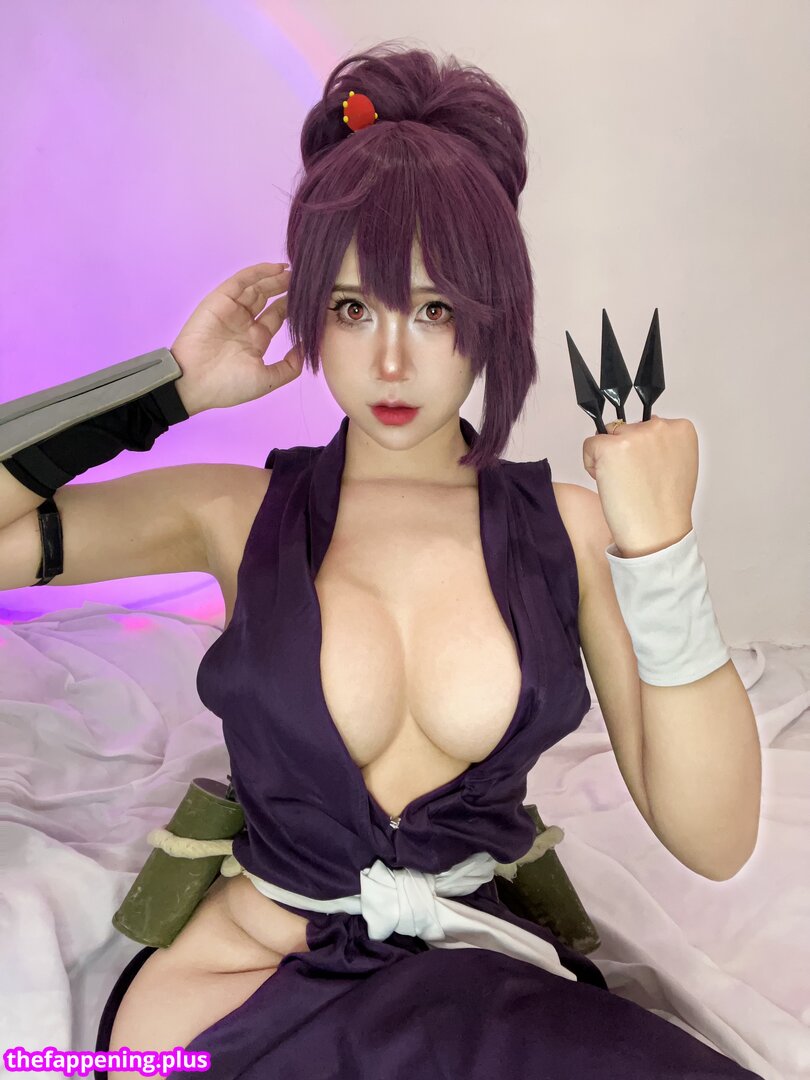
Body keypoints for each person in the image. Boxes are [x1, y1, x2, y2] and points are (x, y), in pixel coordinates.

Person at [0, 41, 761, 1080]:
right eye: (354, 308)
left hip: (480, 978)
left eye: (435, 310)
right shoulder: (233, 511)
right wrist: (167, 389)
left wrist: (664, 550)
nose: (391, 360)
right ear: (312, 310)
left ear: (493, 319)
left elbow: (716, 838)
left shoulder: (568, 529)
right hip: (248, 984)